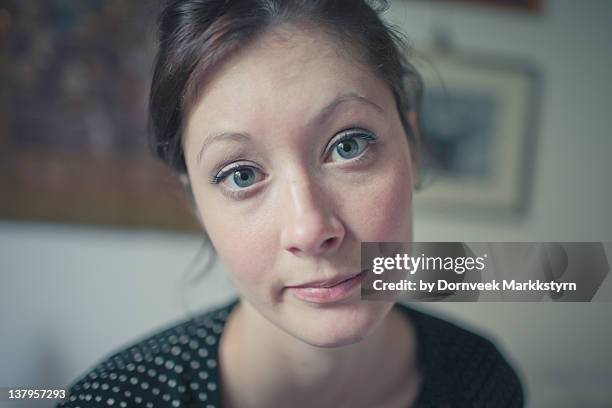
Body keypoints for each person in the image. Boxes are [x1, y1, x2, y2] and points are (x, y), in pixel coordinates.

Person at [57, 0, 524, 407]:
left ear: (412, 144)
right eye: (240, 174)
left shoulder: (481, 377)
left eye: (348, 145)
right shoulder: (112, 399)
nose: (311, 229)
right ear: (196, 204)